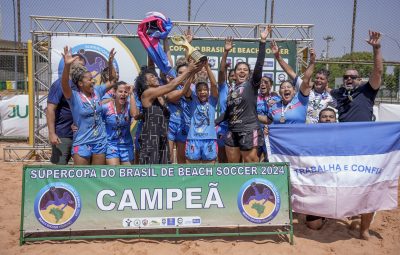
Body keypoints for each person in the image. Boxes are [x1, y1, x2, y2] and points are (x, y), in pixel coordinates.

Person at [330, 30, 383, 240]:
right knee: (347, 185)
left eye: (353, 77)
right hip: (343, 148)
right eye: (345, 77)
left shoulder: (367, 91)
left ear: (359, 79)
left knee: (367, 186)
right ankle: (352, 215)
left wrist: (376, 49)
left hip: (365, 148)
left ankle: (364, 229)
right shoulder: (337, 94)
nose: (349, 79)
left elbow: (378, 71)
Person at [217, 26, 271, 163]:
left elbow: (259, 65)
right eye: (239, 69)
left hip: (248, 129)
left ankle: (255, 185)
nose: (242, 71)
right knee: (233, 166)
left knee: (250, 161)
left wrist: (263, 42)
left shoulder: (252, 85)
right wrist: (213, 122)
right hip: (232, 130)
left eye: (245, 70)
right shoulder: (231, 91)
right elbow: (228, 113)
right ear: (234, 74)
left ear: (249, 73)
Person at [136, 60, 203, 165]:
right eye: (152, 77)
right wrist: (188, 70)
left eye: (155, 76)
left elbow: (183, 90)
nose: (156, 77)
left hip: (162, 137)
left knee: (164, 169)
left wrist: (192, 73)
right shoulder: (147, 93)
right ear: (146, 83)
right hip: (150, 138)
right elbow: (171, 85)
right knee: (150, 171)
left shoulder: (162, 96)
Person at [61, 46, 117, 165]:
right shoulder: (74, 96)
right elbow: (64, 83)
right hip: (82, 142)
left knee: (96, 178)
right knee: (82, 179)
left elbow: (113, 81)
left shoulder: (97, 91)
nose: (93, 81)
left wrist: (110, 62)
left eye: (92, 79)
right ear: (80, 83)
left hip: (99, 141)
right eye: (89, 79)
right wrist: (67, 66)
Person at [271, 40, 336, 123]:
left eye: (322, 79)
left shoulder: (330, 98)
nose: (318, 80)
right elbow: (290, 72)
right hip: (304, 130)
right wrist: (278, 57)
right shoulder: (304, 90)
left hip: (320, 131)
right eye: (317, 78)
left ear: (327, 81)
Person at [46, 54, 85, 164]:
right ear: (69, 64)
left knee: (81, 172)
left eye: (82, 66)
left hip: (81, 135)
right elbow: (50, 110)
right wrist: (52, 134)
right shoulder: (59, 84)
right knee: (59, 168)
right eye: (75, 65)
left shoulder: (81, 85)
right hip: (62, 135)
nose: (78, 69)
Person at [305, 107, 338, 230]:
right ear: (319, 120)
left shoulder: (344, 136)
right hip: (316, 186)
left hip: (337, 186)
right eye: (324, 117)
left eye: (331, 117)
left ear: (335, 120)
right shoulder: (310, 136)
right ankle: (323, 215)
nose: (328, 119)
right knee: (314, 226)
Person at [267, 48, 316, 124]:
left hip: (299, 134)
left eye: (289, 87)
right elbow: (268, 121)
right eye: (283, 88)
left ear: (294, 91)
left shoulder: (300, 99)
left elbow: (305, 79)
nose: (286, 89)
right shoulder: (275, 106)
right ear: (279, 92)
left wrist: (312, 62)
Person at [185, 63, 218, 163]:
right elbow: (186, 89)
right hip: (193, 139)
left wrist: (207, 66)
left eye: (205, 90)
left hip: (209, 139)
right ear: (196, 92)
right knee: (191, 171)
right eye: (199, 90)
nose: (202, 92)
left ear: (208, 91)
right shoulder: (192, 100)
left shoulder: (212, 100)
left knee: (209, 172)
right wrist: (193, 72)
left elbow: (213, 84)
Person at [102, 81, 138, 165]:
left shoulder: (129, 106)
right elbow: (95, 119)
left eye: (126, 92)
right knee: (115, 174)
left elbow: (134, 115)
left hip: (127, 145)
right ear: (114, 92)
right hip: (111, 145)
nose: (123, 94)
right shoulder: (106, 108)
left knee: (128, 175)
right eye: (120, 91)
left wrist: (131, 94)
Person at [165, 61, 193, 164]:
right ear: (176, 74)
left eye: (185, 72)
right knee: (169, 158)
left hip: (184, 126)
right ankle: (169, 179)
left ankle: (182, 180)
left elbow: (187, 95)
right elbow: (171, 97)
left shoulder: (193, 88)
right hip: (170, 125)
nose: (183, 75)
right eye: (180, 73)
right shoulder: (170, 86)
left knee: (182, 158)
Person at [216, 37, 234, 163]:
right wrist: (225, 52)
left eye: (236, 75)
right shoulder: (223, 88)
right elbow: (221, 71)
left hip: (238, 127)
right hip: (223, 127)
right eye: (231, 75)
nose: (234, 77)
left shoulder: (246, 90)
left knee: (236, 161)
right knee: (222, 160)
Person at [256, 76, 280, 161]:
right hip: (256, 133)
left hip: (270, 133)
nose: (262, 84)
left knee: (270, 159)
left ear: (271, 85)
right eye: (261, 82)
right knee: (253, 160)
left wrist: (275, 104)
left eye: (266, 82)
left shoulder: (277, 98)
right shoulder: (254, 98)